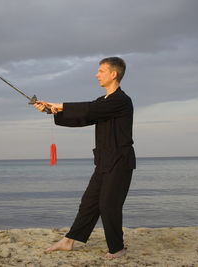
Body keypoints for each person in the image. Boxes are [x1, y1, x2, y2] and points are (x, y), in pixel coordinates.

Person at [34, 57, 135, 259]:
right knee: (89, 202)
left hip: (120, 162)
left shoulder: (121, 101)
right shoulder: (103, 101)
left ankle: (117, 249)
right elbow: (83, 117)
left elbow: (89, 109)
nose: (97, 74)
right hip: (104, 162)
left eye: (101, 71)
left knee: (108, 205)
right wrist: (51, 111)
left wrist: (60, 104)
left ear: (113, 74)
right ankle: (69, 240)